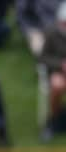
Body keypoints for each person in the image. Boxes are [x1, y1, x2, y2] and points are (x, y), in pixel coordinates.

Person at [39, 2, 66, 142]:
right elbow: (42, 58)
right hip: (58, 72)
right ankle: (54, 121)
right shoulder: (51, 33)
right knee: (57, 85)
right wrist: (60, 65)